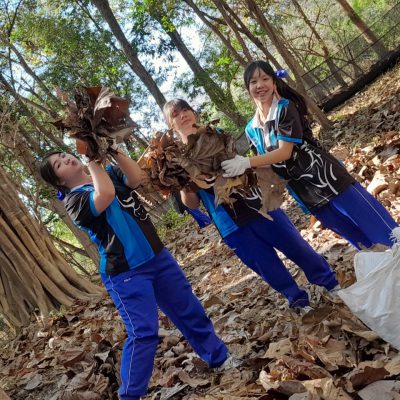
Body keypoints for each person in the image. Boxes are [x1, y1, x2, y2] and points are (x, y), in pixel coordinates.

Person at [39, 146, 229, 400]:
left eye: (64, 155)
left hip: (158, 257)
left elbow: (136, 177)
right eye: (58, 164)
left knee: (188, 309)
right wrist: (92, 160)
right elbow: (105, 195)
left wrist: (112, 150)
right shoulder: (75, 201)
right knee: (143, 333)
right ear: (60, 181)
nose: (65, 159)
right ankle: (130, 395)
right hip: (125, 273)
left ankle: (219, 358)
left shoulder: (109, 172)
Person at [163, 98, 340, 313]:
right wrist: (186, 184)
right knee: (266, 266)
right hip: (229, 223)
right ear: (170, 124)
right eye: (175, 114)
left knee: (295, 245)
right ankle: (297, 300)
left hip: (257, 203)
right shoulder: (175, 160)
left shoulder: (216, 134)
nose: (182, 115)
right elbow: (191, 203)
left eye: (185, 109)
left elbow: (240, 162)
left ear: (194, 112)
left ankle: (330, 283)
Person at [221, 60, 398, 250]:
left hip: (329, 179)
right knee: (362, 244)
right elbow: (265, 163)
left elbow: (284, 152)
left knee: (382, 231)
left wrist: (247, 162)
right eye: (254, 81)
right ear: (248, 88)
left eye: (265, 79)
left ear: (273, 82)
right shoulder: (251, 129)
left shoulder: (284, 108)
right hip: (305, 194)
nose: (260, 85)